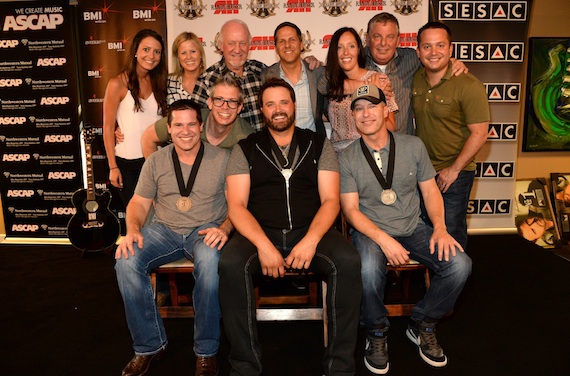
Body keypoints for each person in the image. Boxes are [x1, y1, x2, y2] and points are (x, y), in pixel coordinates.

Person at [219, 78, 362, 375]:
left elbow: (331, 201)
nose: (278, 109)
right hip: (261, 232)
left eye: (284, 102)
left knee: (348, 261)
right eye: (270, 104)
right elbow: (237, 207)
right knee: (231, 264)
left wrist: (310, 241)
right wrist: (264, 246)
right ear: (261, 110)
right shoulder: (245, 148)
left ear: (295, 105)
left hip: (311, 230)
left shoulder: (319, 144)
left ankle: (340, 367)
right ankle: (245, 366)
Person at [339, 83, 472, 373]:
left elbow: (430, 192)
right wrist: (385, 241)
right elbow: (350, 210)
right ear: (353, 117)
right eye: (358, 109)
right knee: (367, 269)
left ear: (386, 110)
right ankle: (375, 330)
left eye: (372, 106)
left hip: (414, 227)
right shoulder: (347, 157)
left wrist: (439, 227)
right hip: (371, 231)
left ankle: (422, 322)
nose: (366, 114)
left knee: (460, 265)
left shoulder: (413, 146)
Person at [115, 100, 231, 376]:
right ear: (168, 129)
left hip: (205, 229)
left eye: (192, 124)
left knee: (210, 261)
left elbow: (237, 204)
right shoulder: (156, 160)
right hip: (164, 229)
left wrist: (224, 228)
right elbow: (139, 203)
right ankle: (149, 346)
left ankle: (206, 351)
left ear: (201, 127)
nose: (185, 130)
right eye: (178, 125)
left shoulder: (223, 159)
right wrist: (132, 229)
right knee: (126, 259)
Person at [413, 21, 489, 250]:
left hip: (454, 174)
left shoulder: (469, 85)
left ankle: (453, 283)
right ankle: (431, 283)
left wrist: (453, 170)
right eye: (427, 47)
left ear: (451, 49)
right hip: (422, 171)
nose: (433, 52)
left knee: (451, 233)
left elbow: (480, 132)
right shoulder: (416, 77)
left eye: (440, 46)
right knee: (424, 232)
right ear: (418, 51)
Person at [365, 12, 468, 135]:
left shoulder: (412, 58)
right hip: (364, 146)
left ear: (398, 40)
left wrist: (452, 62)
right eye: (377, 36)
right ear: (367, 39)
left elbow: (434, 62)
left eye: (390, 37)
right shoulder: (356, 61)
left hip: (403, 146)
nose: (383, 43)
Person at [103, 29, 167, 207]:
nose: (151, 56)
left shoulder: (160, 82)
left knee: (158, 218)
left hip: (156, 161)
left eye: (157, 51)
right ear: (136, 51)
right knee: (137, 219)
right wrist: (113, 167)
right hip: (128, 164)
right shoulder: (117, 83)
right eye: (146, 49)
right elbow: (108, 128)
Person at [318, 27, 398, 153]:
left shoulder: (378, 79)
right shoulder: (329, 82)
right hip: (338, 156)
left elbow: (391, 126)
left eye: (351, 46)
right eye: (340, 47)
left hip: (369, 152)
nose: (346, 53)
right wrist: (368, 87)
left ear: (359, 50)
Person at [141, 73, 255, 157]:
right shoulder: (191, 118)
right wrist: (157, 177)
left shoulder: (247, 136)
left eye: (232, 101)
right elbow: (147, 137)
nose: (225, 106)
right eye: (219, 99)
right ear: (210, 103)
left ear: (240, 107)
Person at [189, 19, 267, 131]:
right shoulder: (206, 80)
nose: (237, 49)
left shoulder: (261, 71)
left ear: (250, 45)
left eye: (242, 43)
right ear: (220, 45)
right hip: (226, 148)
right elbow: (195, 123)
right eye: (231, 43)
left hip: (263, 146)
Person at [262, 21, 326, 134]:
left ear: (301, 44)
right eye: (282, 41)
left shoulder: (318, 73)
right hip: (279, 146)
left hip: (313, 146)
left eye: (292, 40)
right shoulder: (265, 76)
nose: (287, 45)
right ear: (276, 48)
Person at [167, 31, 207, 104]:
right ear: (177, 57)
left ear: (200, 54)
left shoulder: (211, 82)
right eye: (183, 53)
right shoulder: (168, 83)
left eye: (193, 51)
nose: (189, 57)